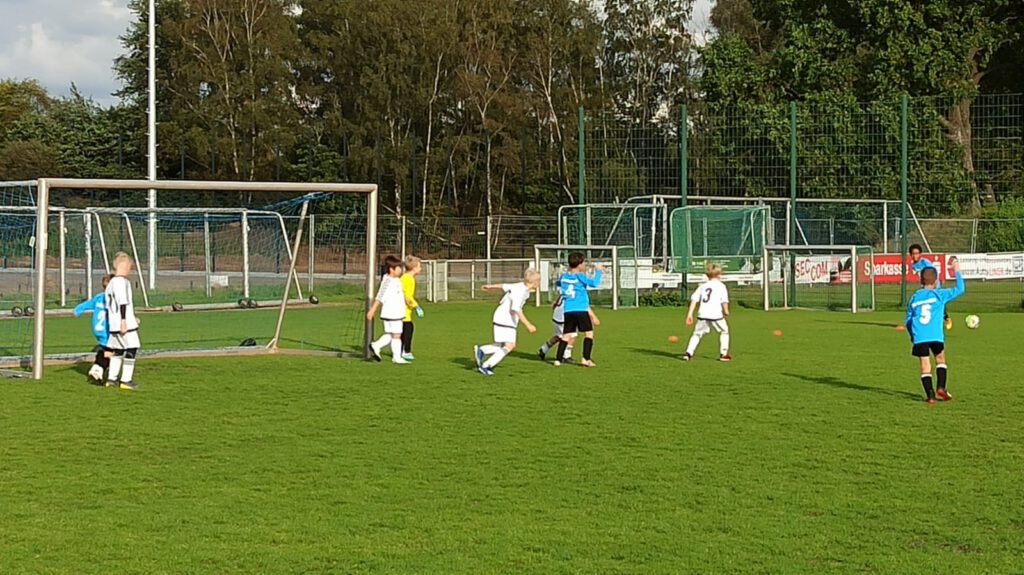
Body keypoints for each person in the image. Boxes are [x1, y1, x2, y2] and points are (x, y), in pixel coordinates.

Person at [906, 260, 964, 404]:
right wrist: (957, 270)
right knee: (940, 359)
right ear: (936, 281)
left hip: (920, 336)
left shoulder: (914, 297)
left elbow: (908, 320)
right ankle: (941, 387)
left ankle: (930, 396)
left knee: (925, 365)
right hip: (936, 336)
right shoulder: (939, 295)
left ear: (920, 281)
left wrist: (912, 335)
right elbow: (960, 289)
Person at [473, 269, 540, 376]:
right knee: (510, 345)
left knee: (502, 344)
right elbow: (516, 309)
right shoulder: (521, 291)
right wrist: (528, 325)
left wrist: (490, 286)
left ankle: (482, 350)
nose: (539, 283)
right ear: (534, 282)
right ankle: (486, 365)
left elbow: (504, 285)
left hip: (502, 316)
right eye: (538, 281)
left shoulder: (520, 286)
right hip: (506, 318)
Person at [554, 253, 603, 367]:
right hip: (581, 309)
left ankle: (558, 359)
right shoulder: (580, 276)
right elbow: (594, 283)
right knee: (589, 333)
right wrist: (598, 271)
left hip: (568, 310)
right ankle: (586, 359)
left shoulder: (564, 276)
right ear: (579, 264)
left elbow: (558, 283)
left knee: (566, 335)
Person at [105, 253, 141, 390]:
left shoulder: (111, 283)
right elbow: (122, 302)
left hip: (114, 323)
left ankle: (111, 379)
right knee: (132, 347)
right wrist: (124, 321)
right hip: (122, 324)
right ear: (123, 266)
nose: (129, 270)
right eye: (129, 266)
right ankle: (126, 380)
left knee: (118, 350)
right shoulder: (121, 282)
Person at [684, 263, 732, 362]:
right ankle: (723, 354)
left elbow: (694, 300)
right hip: (716, 314)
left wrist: (690, 314)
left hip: (703, 314)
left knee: (697, 334)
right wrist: (726, 311)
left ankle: (688, 353)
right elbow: (724, 301)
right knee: (724, 331)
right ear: (719, 275)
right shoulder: (721, 286)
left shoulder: (703, 286)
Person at [366, 255, 409, 364]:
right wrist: (372, 310)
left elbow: (400, 292)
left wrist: (406, 299)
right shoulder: (387, 281)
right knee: (397, 335)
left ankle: (376, 346)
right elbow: (380, 296)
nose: (400, 270)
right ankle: (396, 357)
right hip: (392, 312)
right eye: (398, 268)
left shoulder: (396, 280)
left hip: (395, 312)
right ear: (391, 269)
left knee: (392, 334)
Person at [74, 274, 114, 384]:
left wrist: (78, 310)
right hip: (107, 330)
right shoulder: (113, 299)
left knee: (108, 350)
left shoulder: (99, 297)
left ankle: (100, 368)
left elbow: (88, 304)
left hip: (98, 330)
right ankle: (98, 370)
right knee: (113, 352)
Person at [537, 295, 600, 363]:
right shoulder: (577, 294)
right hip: (564, 317)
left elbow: (556, 302)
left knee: (559, 336)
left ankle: (544, 349)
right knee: (572, 335)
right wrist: (594, 317)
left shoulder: (566, 292)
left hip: (556, 317)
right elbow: (584, 306)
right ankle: (566, 356)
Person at [909, 244, 953, 330]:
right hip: (925, 286)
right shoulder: (913, 265)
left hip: (934, 285)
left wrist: (934, 284)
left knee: (938, 301)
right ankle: (927, 320)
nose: (915, 256)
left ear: (920, 254)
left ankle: (947, 318)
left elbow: (933, 272)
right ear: (910, 255)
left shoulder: (925, 262)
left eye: (917, 253)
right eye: (913, 254)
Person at [400, 256, 425, 361]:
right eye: (419, 266)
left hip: (406, 310)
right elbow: (404, 294)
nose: (421, 268)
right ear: (414, 268)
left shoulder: (408, 278)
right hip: (402, 310)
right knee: (408, 329)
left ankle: (401, 350)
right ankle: (406, 351)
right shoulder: (407, 278)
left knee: (404, 330)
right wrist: (416, 306)